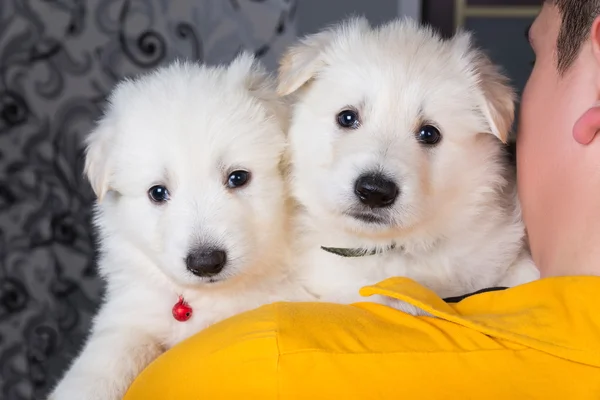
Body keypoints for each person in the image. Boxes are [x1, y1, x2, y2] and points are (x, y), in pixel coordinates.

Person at [123, 2, 600, 398]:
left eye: (428, 134)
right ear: (299, 107)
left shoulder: (513, 251)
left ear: (484, 137)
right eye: (348, 118)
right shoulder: (292, 264)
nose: (377, 174)